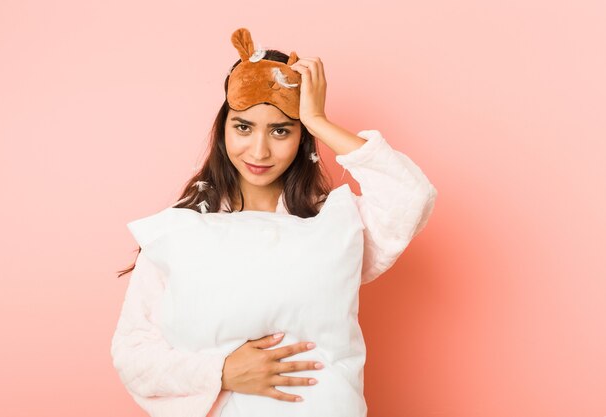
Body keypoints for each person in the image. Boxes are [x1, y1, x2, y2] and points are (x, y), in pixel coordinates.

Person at [111, 28, 438, 417]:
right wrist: (221, 372)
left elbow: (410, 197)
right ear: (223, 131)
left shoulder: (336, 226)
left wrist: (318, 119)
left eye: (281, 130)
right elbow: (134, 354)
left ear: (302, 138)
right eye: (243, 127)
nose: (259, 150)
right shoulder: (177, 232)